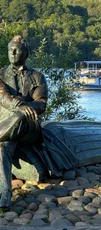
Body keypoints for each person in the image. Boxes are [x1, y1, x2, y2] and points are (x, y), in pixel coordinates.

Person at [0, 35, 48, 208]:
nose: (12, 52)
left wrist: (24, 109)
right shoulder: (0, 74)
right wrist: (19, 105)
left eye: (16, 49)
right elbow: (2, 97)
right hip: (6, 126)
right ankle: (4, 196)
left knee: (20, 116)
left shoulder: (37, 76)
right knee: (4, 146)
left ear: (26, 52)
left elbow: (41, 104)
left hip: (28, 127)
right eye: (9, 49)